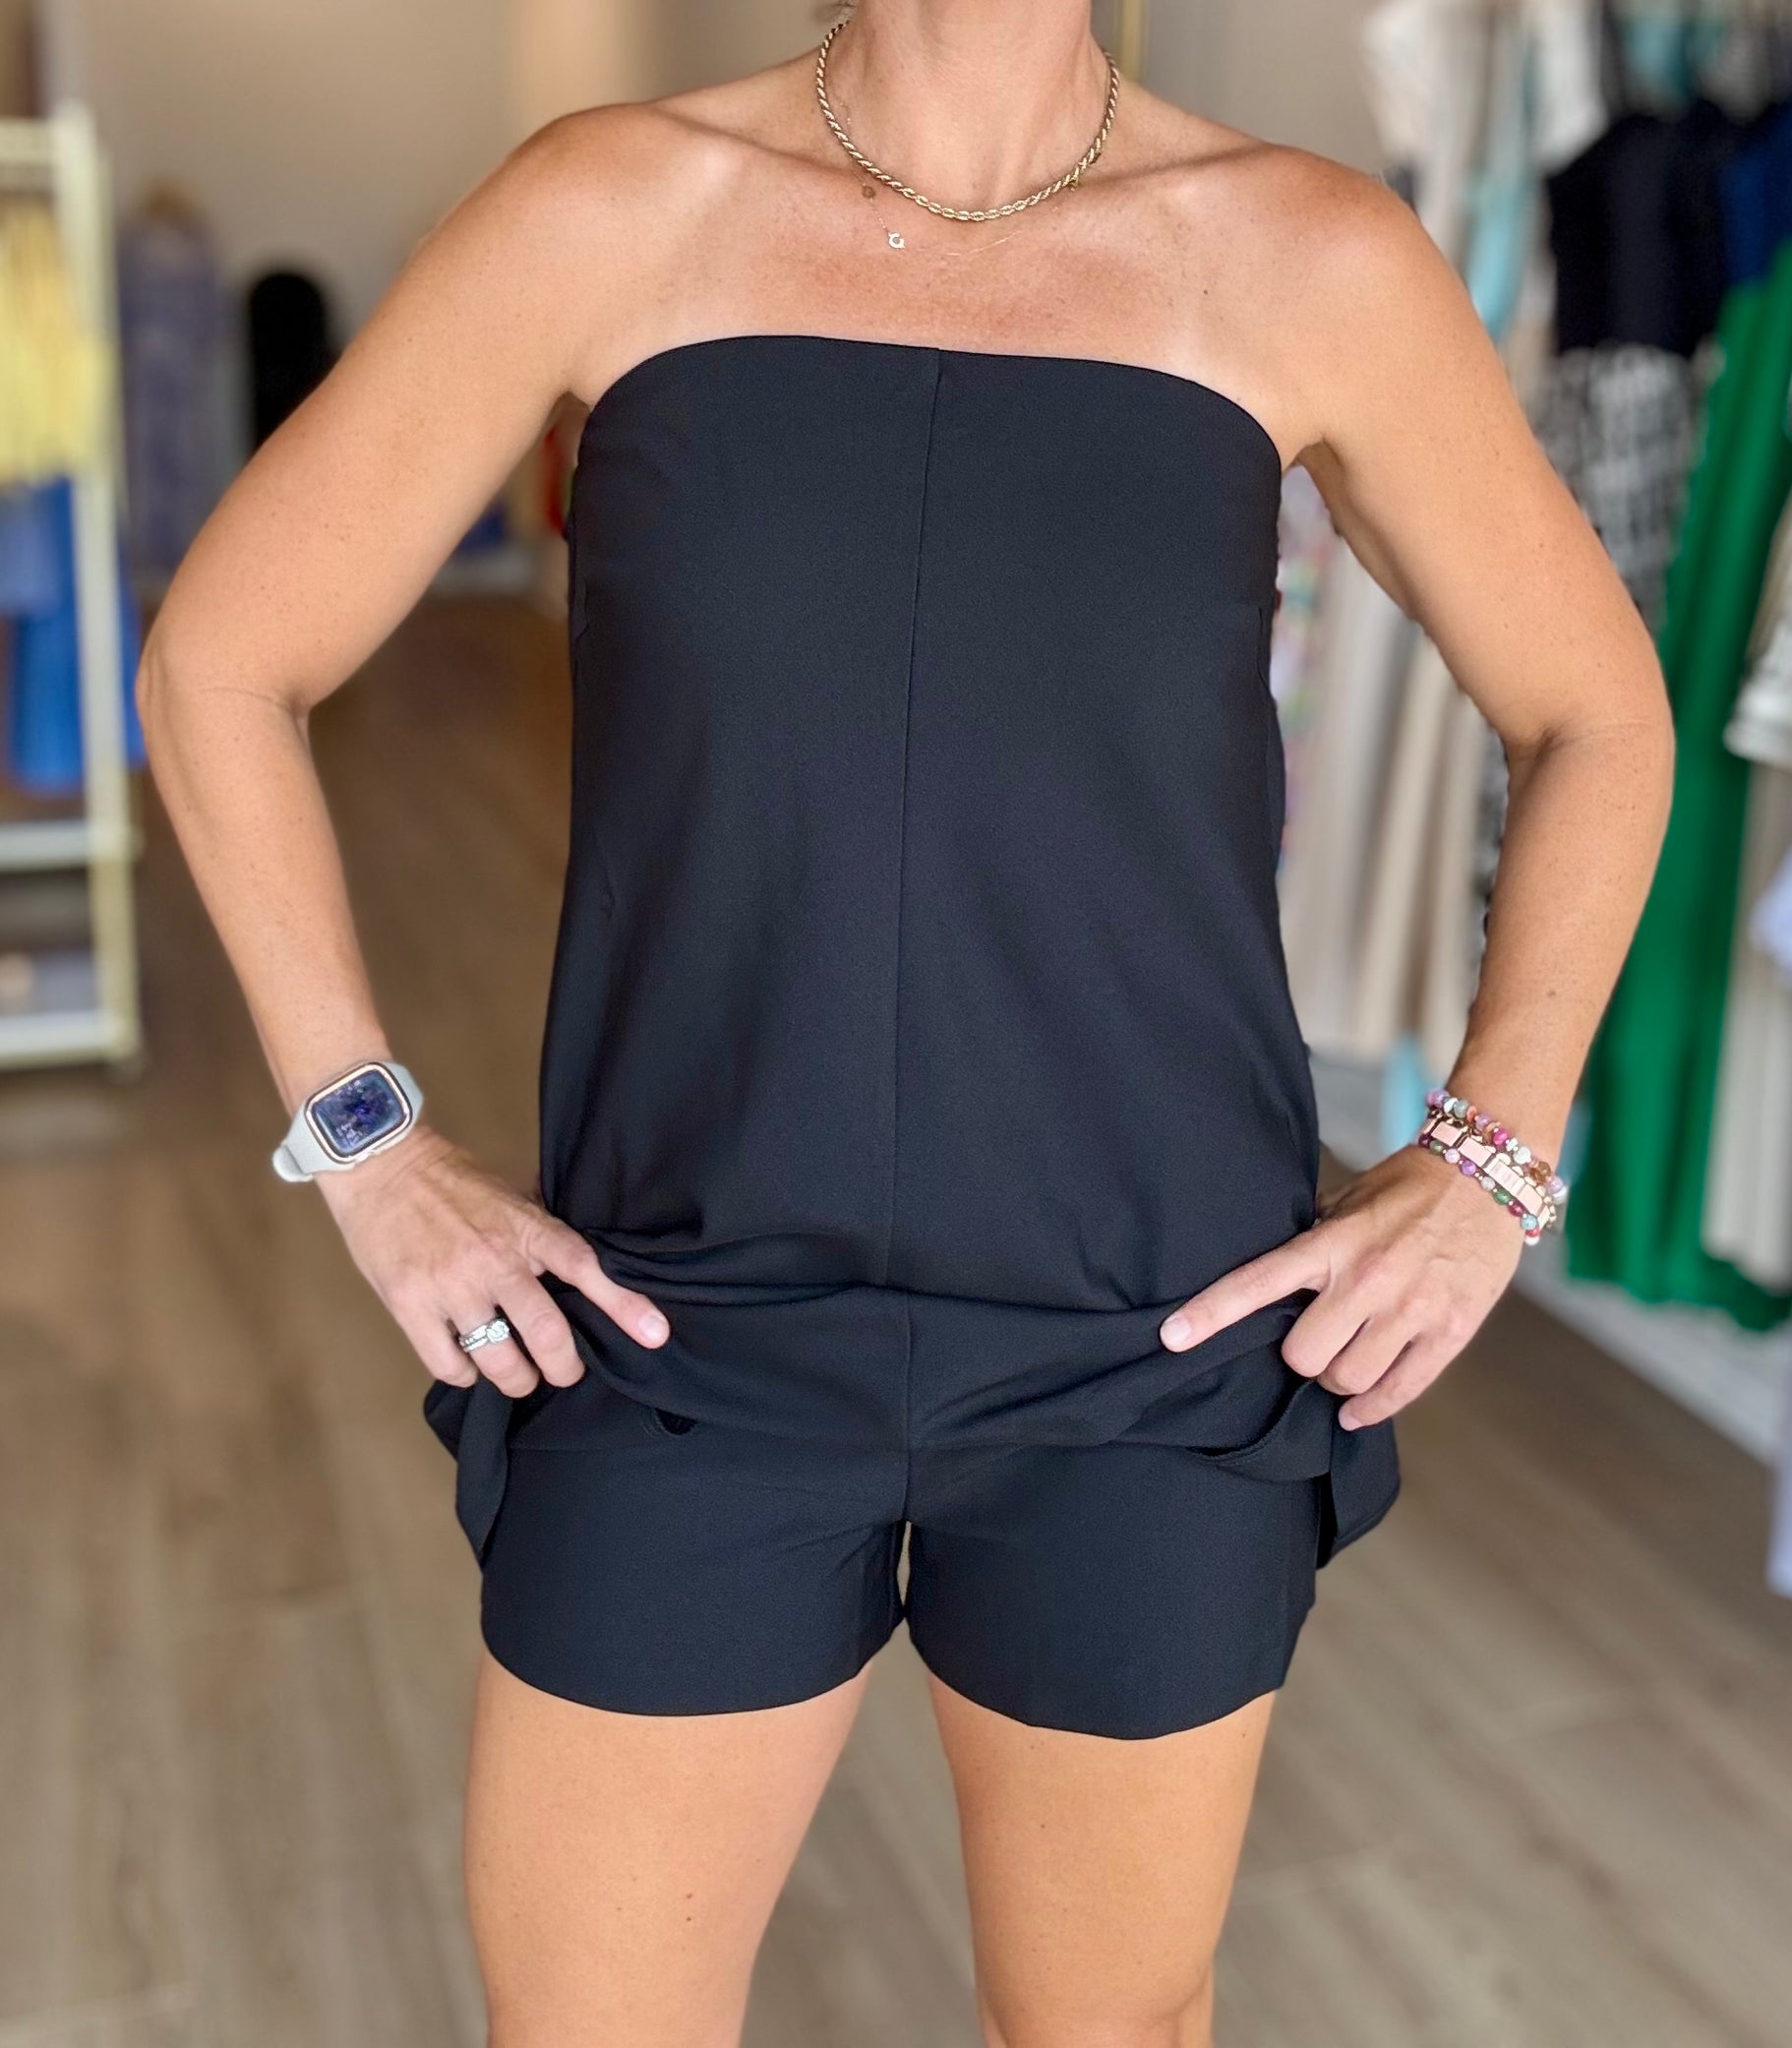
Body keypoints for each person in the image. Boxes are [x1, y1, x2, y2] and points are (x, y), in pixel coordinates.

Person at [138, 3, 1673, 2043]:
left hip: (1150, 1342)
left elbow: (1595, 716)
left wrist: (1492, 1161)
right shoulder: (610, 207)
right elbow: (223, 659)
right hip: (679, 1317)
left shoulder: (1306, 255)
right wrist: (367, 1144)